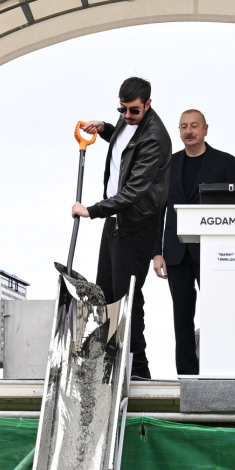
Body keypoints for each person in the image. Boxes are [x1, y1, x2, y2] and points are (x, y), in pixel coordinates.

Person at [74, 77, 172, 379]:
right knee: (105, 295)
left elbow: (134, 192)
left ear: (149, 104)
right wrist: (105, 128)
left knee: (126, 297)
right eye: (122, 109)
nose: (127, 116)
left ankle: (139, 371)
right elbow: (125, 145)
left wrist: (92, 210)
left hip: (136, 223)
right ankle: (110, 365)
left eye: (133, 111)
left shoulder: (155, 138)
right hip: (117, 221)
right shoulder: (128, 124)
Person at [153, 110, 235, 375]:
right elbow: (158, 210)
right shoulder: (167, 164)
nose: (188, 131)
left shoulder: (225, 162)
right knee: (181, 317)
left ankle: (219, 371)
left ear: (205, 129)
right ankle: (187, 376)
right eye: (183, 127)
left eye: (194, 126)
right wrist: (156, 253)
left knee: (218, 313)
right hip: (175, 252)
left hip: (213, 252)